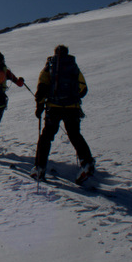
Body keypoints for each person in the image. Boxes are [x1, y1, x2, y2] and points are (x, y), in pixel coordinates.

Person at [31, 45, 95, 183]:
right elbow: (83, 89)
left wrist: (39, 107)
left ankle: (39, 168)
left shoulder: (50, 66)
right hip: (72, 108)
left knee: (46, 137)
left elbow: (42, 88)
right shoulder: (73, 66)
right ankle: (86, 163)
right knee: (75, 135)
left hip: (54, 108)